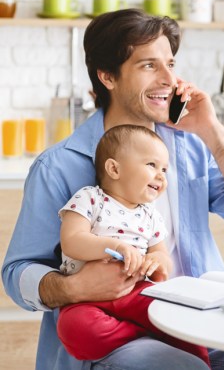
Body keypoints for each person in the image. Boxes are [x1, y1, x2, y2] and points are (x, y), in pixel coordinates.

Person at [2, 8, 224, 370]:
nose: (169, 79)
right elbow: (18, 273)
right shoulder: (59, 165)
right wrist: (72, 288)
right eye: (148, 66)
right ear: (108, 76)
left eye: (171, 64)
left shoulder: (189, 145)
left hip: (203, 316)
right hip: (115, 328)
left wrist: (212, 132)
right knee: (178, 365)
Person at [56, 124, 209, 366]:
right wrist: (115, 247)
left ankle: (201, 363)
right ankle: (144, 333)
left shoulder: (150, 215)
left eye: (164, 169)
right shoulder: (89, 198)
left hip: (135, 291)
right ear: (114, 168)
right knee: (72, 328)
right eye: (152, 165)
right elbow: (72, 240)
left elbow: (161, 254)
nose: (161, 175)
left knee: (179, 316)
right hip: (86, 298)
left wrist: (156, 262)